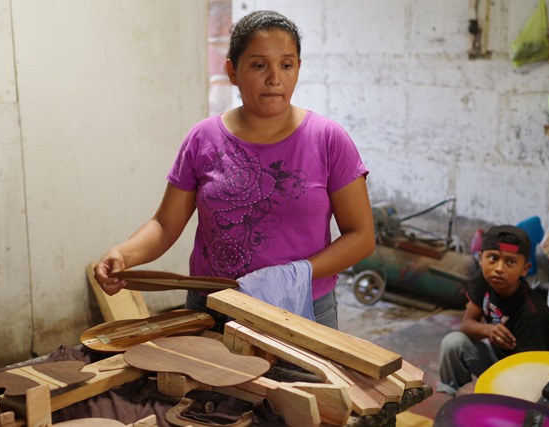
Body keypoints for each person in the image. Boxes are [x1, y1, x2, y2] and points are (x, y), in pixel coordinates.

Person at [93, 10, 375, 331]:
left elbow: (361, 236)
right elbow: (165, 225)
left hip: (301, 310)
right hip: (212, 309)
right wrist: (124, 254)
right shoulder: (203, 139)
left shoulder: (328, 140)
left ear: (298, 67)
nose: (274, 78)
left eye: (286, 65)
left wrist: (293, 275)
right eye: (258, 65)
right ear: (232, 71)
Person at [437, 225, 549, 396]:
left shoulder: (530, 312)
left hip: (544, 381)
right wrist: (488, 330)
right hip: (503, 360)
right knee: (453, 342)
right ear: (481, 259)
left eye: (510, 262)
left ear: (525, 269)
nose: (499, 268)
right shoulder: (486, 281)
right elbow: (466, 324)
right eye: (493, 258)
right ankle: (453, 397)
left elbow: (531, 374)